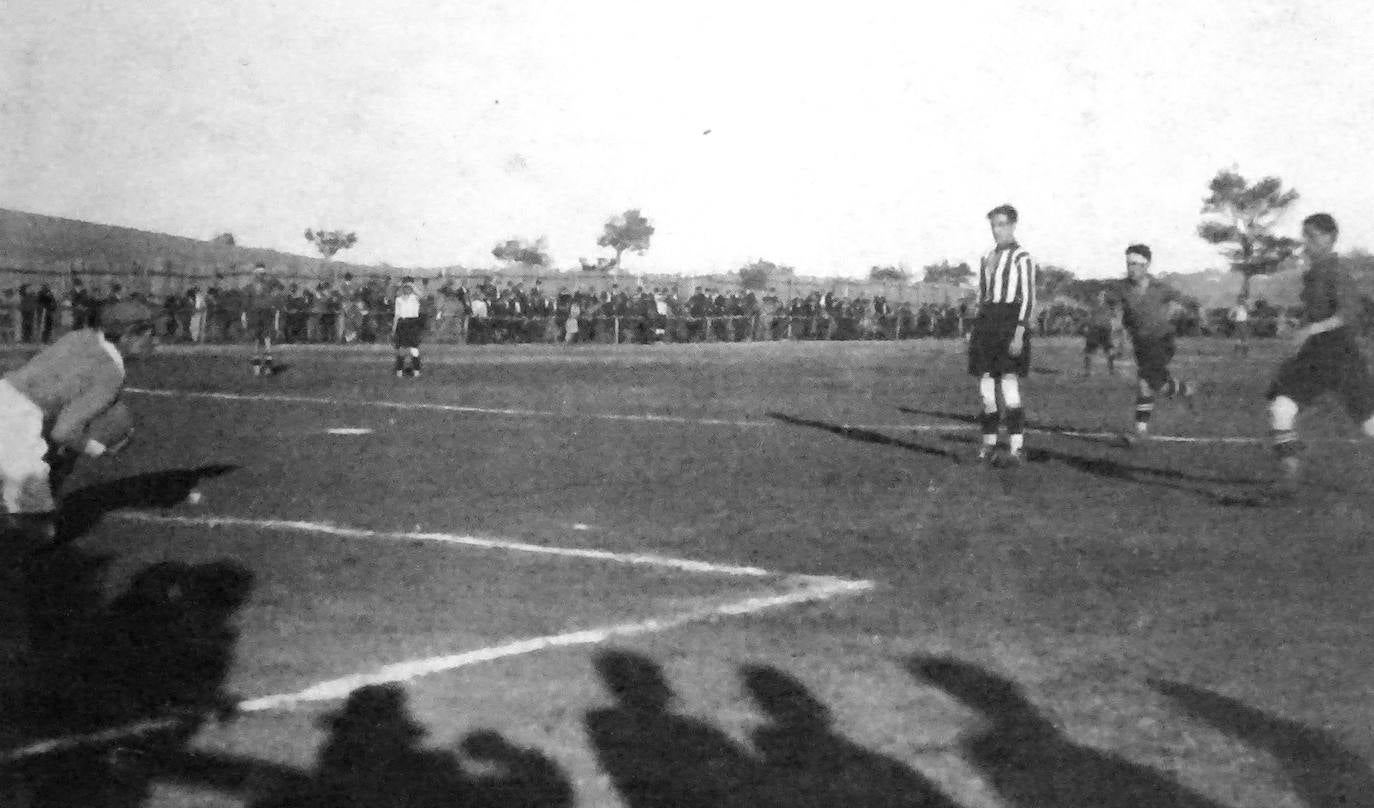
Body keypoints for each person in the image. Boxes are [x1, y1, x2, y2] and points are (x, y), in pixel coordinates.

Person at [1265, 213, 1374, 496]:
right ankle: (1289, 476)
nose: (1306, 243)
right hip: (1316, 355)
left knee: (1368, 422)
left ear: (1329, 238)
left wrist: (1311, 329)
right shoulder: (1314, 273)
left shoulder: (1336, 270)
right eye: (1305, 236)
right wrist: (1300, 328)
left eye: (1311, 236)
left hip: (1341, 354)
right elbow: (1317, 315)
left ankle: (1289, 476)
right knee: (1281, 407)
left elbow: (1349, 312)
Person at [968, 204, 1036, 466]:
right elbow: (982, 295)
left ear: (1013, 225)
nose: (997, 230)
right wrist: (974, 327)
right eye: (994, 225)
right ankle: (989, 444)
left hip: (1009, 323)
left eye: (1002, 225)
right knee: (985, 386)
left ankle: (1016, 447)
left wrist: (1020, 332)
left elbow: (1029, 298)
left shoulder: (1022, 257)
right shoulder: (987, 256)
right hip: (987, 323)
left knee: (1008, 384)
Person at [1117, 244, 1196, 445]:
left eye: (1135, 264)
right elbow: (1126, 316)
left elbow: (1189, 304)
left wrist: (1180, 314)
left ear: (1146, 265)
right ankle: (1183, 389)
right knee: (1154, 385)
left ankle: (1139, 432)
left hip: (1162, 341)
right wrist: (1123, 334)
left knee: (1146, 384)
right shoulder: (1123, 289)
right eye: (1128, 263)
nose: (1131, 268)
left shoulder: (1161, 288)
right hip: (1141, 344)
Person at [245, 264, 281, 375]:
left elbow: (277, 290)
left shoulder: (269, 285)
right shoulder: (250, 287)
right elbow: (247, 304)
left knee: (267, 339)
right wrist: (245, 316)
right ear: (255, 274)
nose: (261, 276)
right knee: (256, 339)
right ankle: (256, 367)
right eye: (259, 274)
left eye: (263, 274)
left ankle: (268, 366)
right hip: (255, 315)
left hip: (266, 314)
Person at [1082, 289, 1120, 377]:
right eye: (1100, 295)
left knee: (1106, 350)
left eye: (1102, 296)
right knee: (1093, 350)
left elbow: (1089, 318)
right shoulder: (1107, 307)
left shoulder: (1097, 307)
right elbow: (1114, 317)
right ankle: (1090, 371)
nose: (1100, 298)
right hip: (1099, 329)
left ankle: (1109, 370)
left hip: (1100, 330)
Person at [392, 277, 424, 378]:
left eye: (409, 287)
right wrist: (394, 328)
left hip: (413, 323)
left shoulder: (415, 298)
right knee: (401, 349)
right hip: (402, 324)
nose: (407, 289)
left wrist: (412, 285)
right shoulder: (398, 299)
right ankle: (399, 372)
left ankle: (417, 372)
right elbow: (397, 315)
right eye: (405, 287)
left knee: (414, 349)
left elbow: (421, 295)